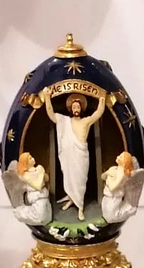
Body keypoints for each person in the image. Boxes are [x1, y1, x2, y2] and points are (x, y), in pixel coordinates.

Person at [41, 89, 105, 220]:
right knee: (69, 179)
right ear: (71, 109)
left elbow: (98, 113)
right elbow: (51, 114)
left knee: (80, 181)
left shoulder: (86, 121)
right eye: (74, 107)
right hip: (69, 156)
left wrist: (102, 98)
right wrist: (47, 97)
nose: (76, 109)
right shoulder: (65, 121)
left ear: (81, 109)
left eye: (78, 107)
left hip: (81, 156)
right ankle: (71, 199)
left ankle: (80, 207)